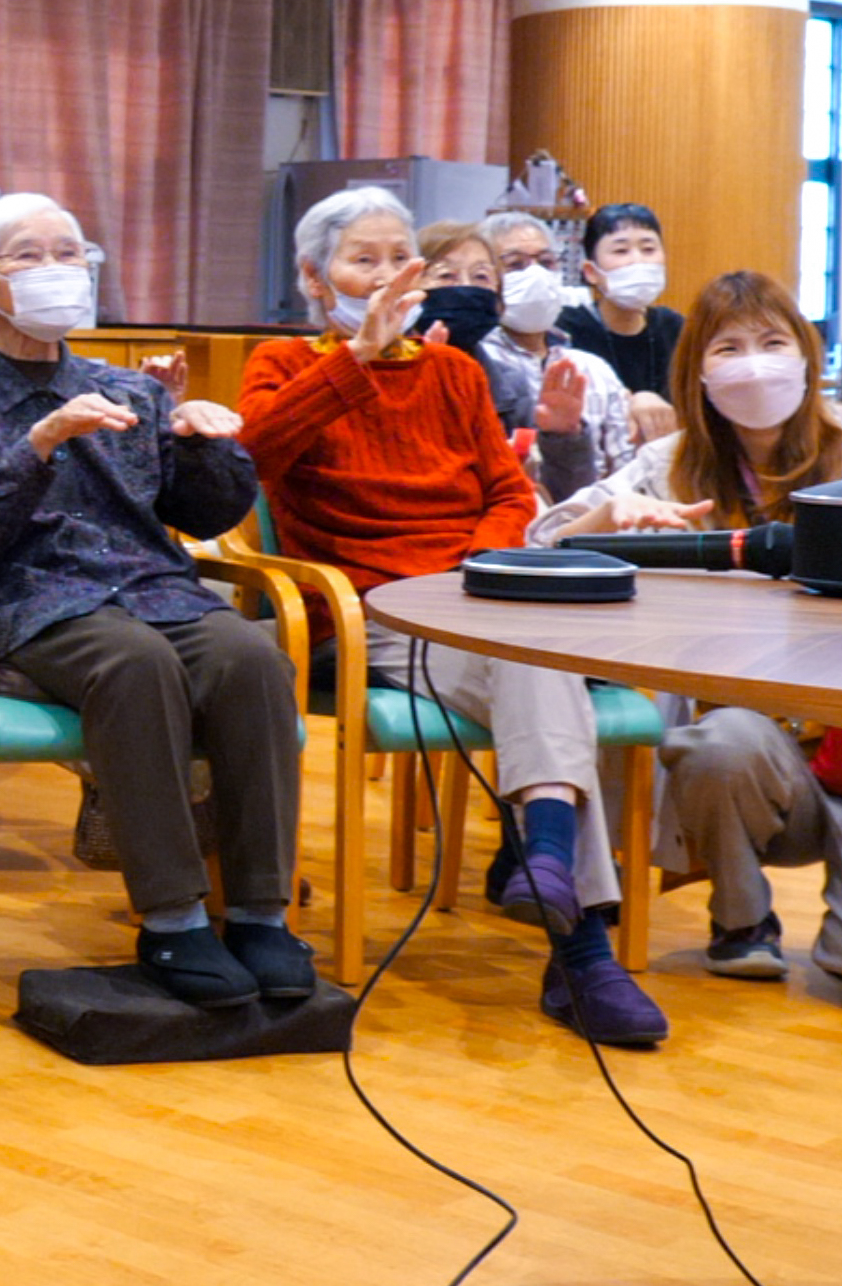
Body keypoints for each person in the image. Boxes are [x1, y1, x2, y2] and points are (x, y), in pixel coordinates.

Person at [240, 187, 667, 1046]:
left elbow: (508, 490)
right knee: (533, 650)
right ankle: (580, 948)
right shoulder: (283, 364)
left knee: (528, 633)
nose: (388, 274)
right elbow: (251, 455)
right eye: (363, 258)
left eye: (400, 257)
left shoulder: (453, 371)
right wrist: (352, 361)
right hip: (367, 604)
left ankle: (546, 867)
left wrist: (480, 561)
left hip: (470, 591)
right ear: (314, 279)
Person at [0, 194, 309, 1008]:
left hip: (151, 586)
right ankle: (171, 920)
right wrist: (38, 444)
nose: (58, 267)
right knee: (135, 663)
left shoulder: (134, 390)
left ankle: (259, 912)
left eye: (70, 251)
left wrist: (206, 443)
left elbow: (200, 516)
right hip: (30, 601)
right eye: (30, 255)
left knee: (253, 656)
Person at [530, 270, 842, 982]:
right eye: (728, 347)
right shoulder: (666, 466)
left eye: (771, 341)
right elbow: (545, 545)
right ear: (697, 370)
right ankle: (740, 919)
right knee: (719, 741)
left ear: (805, 354)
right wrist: (611, 516)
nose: (754, 362)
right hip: (762, 759)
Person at [473, 210, 636, 502]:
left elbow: (626, 470)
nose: (536, 274)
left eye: (546, 262)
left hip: (596, 525)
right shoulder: (477, 361)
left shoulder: (591, 367)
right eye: (516, 265)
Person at [558, 201, 682, 433]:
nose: (638, 261)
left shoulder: (675, 327)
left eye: (648, 249)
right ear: (591, 272)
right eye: (621, 251)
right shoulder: (566, 330)